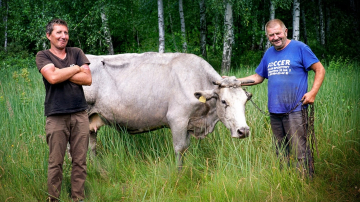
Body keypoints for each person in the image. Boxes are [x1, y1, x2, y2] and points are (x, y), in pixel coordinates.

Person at [238, 19, 325, 177]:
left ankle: (304, 182)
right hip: (275, 111)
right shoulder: (269, 54)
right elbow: (258, 77)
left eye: (278, 33)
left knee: (300, 149)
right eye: (271, 35)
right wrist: (235, 82)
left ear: (286, 32)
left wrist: (312, 93)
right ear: (267, 37)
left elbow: (319, 69)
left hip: (296, 110)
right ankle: (285, 179)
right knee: (281, 150)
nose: (275, 37)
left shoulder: (300, 48)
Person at [36, 19, 92, 201]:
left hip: (80, 114)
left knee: (80, 161)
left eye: (66, 33)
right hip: (56, 115)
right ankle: (53, 199)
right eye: (59, 32)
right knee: (55, 163)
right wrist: (74, 68)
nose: (63, 36)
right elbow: (52, 77)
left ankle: (78, 198)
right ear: (49, 35)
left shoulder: (76, 52)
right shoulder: (43, 55)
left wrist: (63, 72)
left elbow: (87, 79)